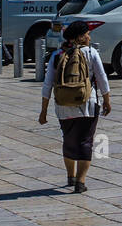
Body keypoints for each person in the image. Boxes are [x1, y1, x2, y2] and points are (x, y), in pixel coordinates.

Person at [39, 20, 112, 194]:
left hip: (63, 106)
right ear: (79, 37)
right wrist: (107, 100)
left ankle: (70, 177)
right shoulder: (91, 53)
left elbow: (47, 84)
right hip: (88, 103)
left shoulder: (57, 55)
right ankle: (80, 181)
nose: (89, 36)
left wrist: (43, 111)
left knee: (69, 140)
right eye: (87, 33)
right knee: (85, 141)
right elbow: (102, 78)